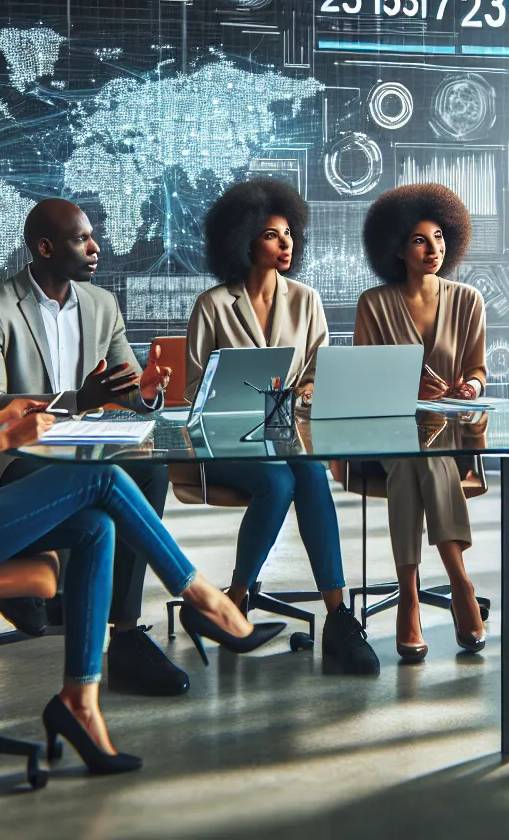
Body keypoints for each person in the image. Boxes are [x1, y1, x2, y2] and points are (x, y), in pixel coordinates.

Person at [0, 205, 281, 775]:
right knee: (104, 480)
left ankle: (79, 700)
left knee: (99, 524)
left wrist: (26, 413)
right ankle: (205, 599)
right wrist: (14, 433)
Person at [0, 198, 187, 697]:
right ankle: (37, 577)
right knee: (92, 491)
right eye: (81, 239)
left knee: (151, 472)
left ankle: (125, 635)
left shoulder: (101, 305)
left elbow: (125, 386)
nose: (95, 247)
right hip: (17, 456)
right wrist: (75, 401)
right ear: (44, 248)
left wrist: (146, 392)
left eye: (93, 237)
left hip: (85, 449)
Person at [186, 178, 379, 675]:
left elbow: (315, 372)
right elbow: (192, 391)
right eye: (273, 234)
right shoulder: (212, 304)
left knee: (311, 475)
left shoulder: (306, 300)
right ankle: (236, 598)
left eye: (290, 233)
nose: (287, 243)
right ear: (245, 240)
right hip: (226, 438)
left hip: (284, 430)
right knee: (277, 481)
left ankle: (337, 616)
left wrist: (307, 393)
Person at [352, 184, 489, 662]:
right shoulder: (374, 303)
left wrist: (470, 388)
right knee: (415, 458)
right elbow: (365, 382)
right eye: (419, 240)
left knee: (418, 463)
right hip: (389, 429)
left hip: (452, 429)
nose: (433, 249)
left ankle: (409, 598)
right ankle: (460, 583)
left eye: (439, 238)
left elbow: (476, 371)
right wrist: (407, 391)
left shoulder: (469, 299)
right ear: (396, 247)